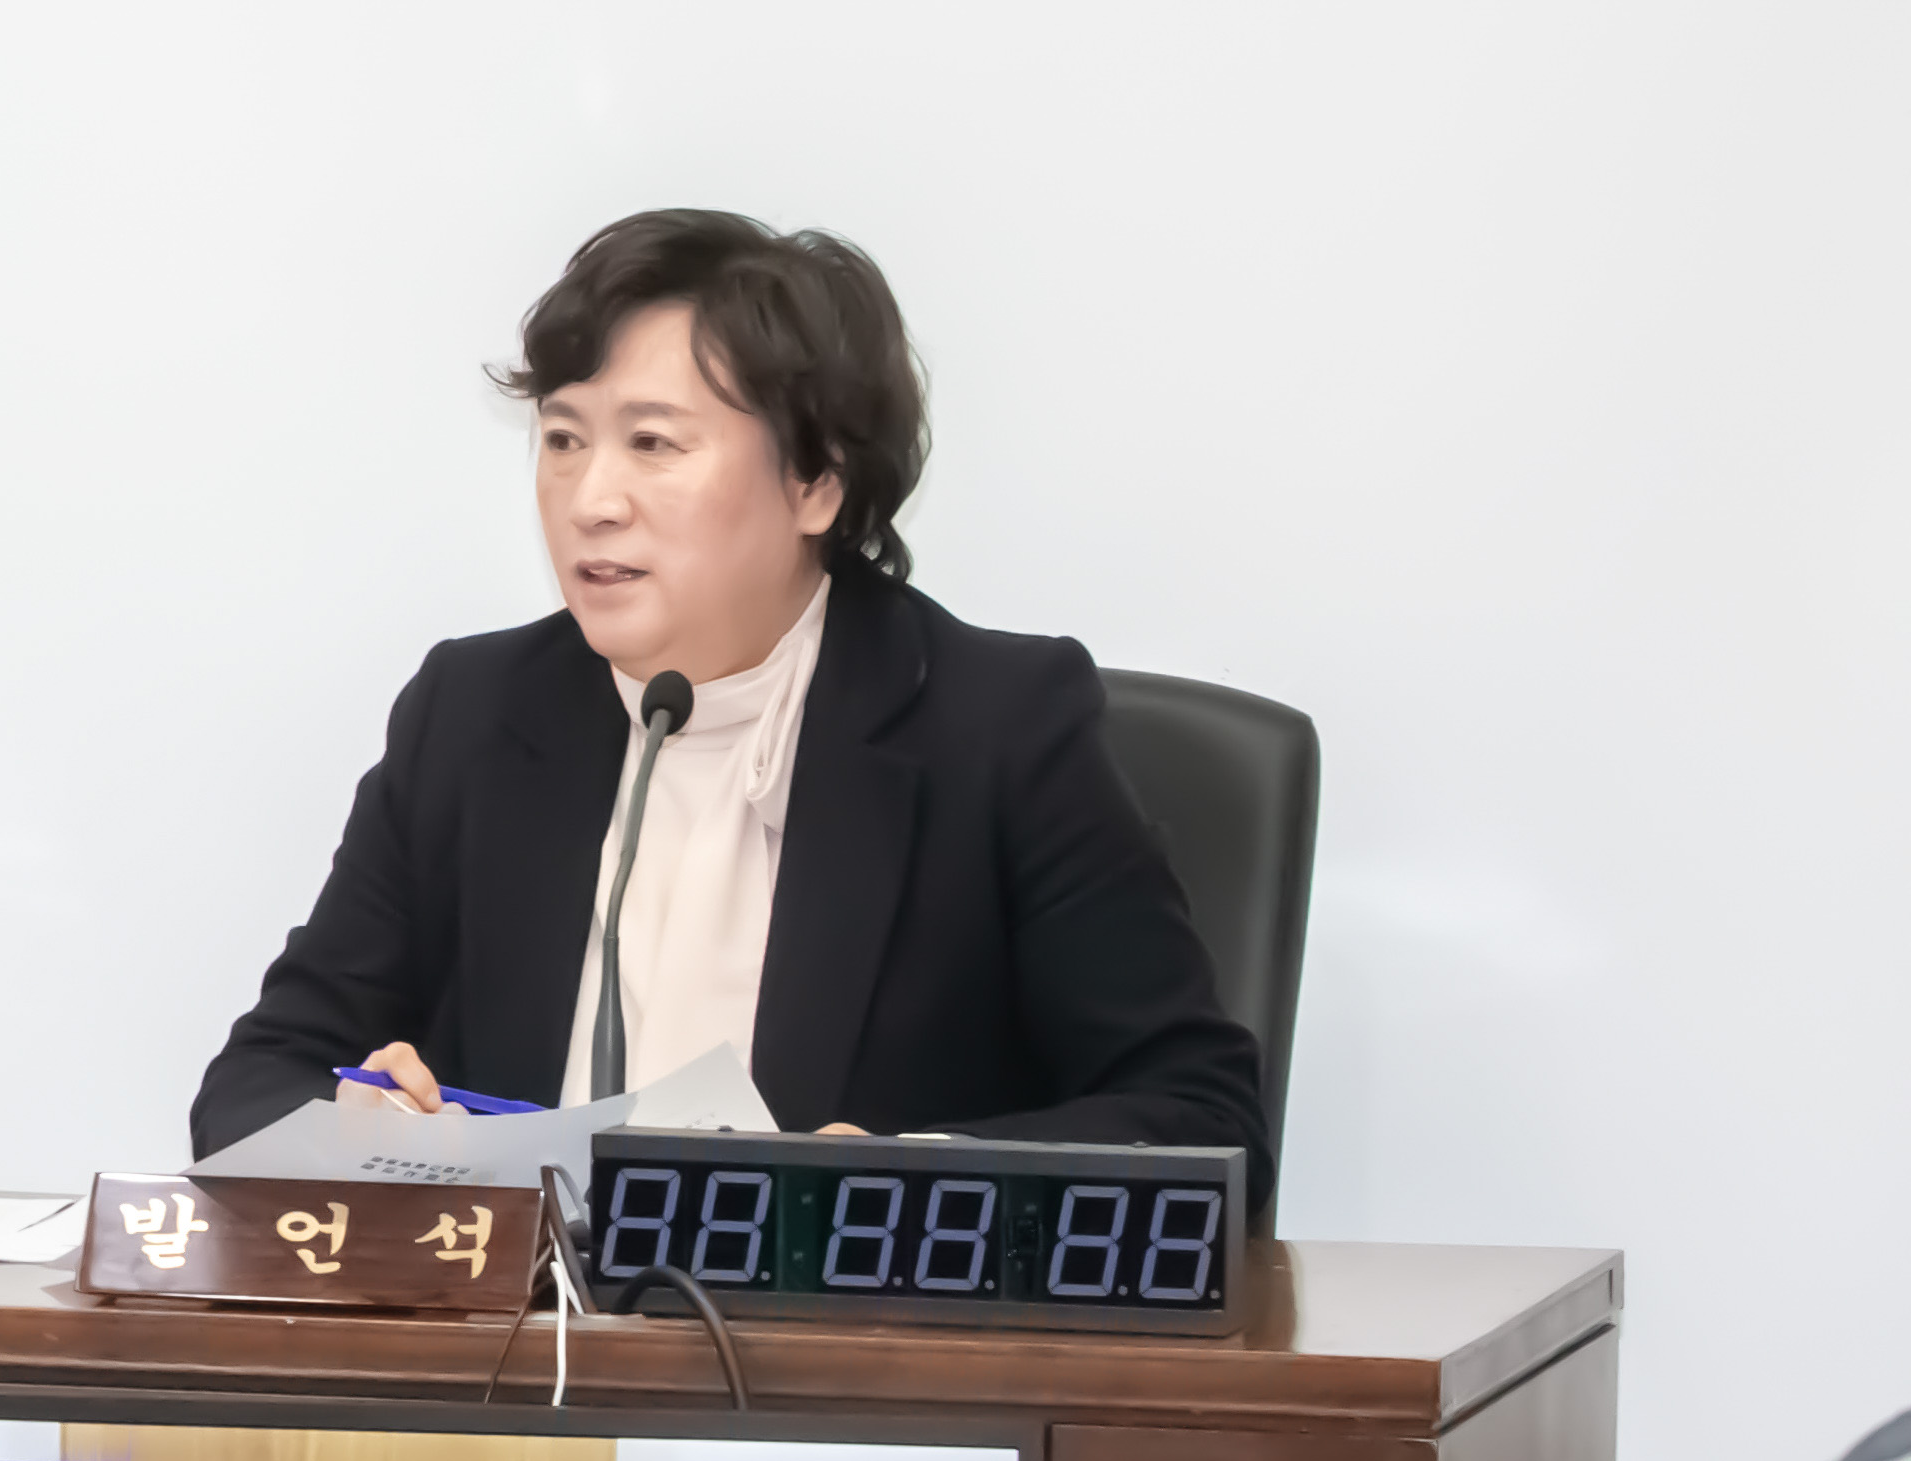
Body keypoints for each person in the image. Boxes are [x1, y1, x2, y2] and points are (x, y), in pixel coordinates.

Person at [188, 208, 1266, 1168]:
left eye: (652, 443)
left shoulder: (996, 727)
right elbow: (255, 1085)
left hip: (838, 1332)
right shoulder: (474, 712)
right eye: (562, 439)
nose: (590, 499)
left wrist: (910, 1178)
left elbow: (1201, 1120)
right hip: (521, 1330)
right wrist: (359, 1130)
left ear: (817, 481)